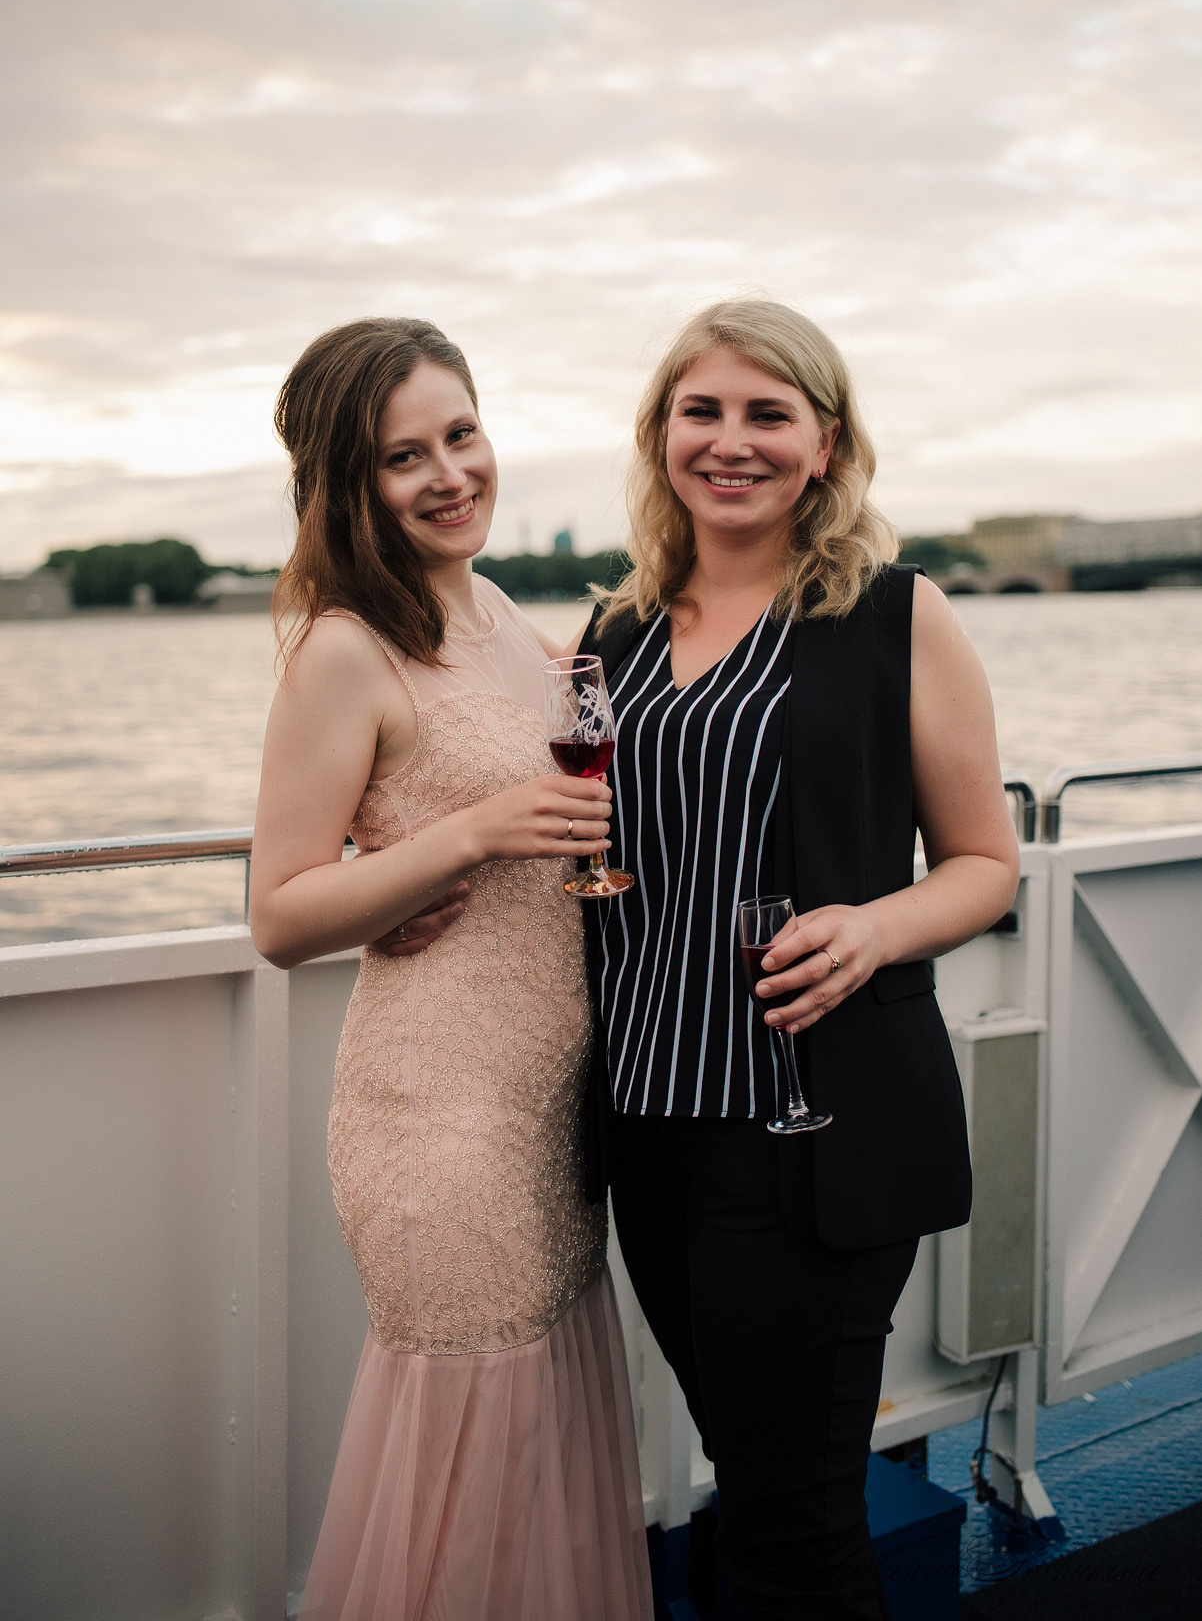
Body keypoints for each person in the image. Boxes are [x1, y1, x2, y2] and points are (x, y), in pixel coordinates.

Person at [579, 299, 1020, 1621]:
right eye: (700, 411)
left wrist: (874, 926)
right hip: (649, 1123)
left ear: (824, 444)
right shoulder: (613, 634)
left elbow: (984, 862)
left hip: (810, 1131)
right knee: (754, 1478)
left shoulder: (897, 615)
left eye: (768, 414)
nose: (731, 441)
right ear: (660, 436)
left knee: (791, 1518)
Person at [249, 317, 654, 1621]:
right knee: (472, 1450)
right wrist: (464, 837)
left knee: (538, 1456)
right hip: (440, 1117)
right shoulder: (342, 646)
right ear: (345, 482)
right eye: (401, 456)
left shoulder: (494, 611)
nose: (449, 474)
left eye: (461, 434)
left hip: (551, 1113)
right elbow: (280, 913)